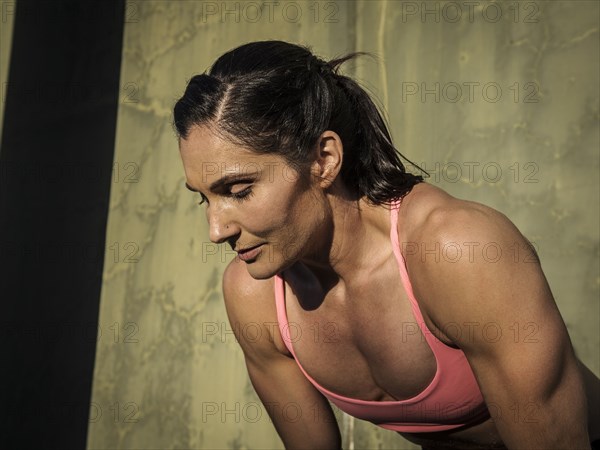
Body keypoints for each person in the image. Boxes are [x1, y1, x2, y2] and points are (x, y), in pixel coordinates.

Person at [174, 40, 599, 449]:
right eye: (203, 198)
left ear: (323, 160)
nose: (216, 230)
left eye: (239, 190)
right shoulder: (255, 294)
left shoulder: (457, 249)